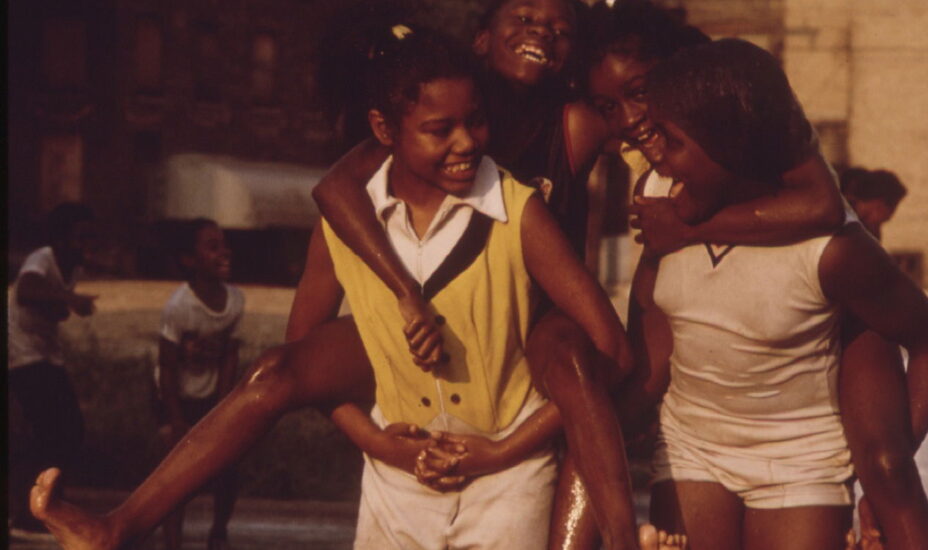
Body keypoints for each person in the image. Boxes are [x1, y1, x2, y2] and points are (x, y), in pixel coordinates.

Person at [29, 26, 683, 550]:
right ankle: (116, 527)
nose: (467, 143)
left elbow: (611, 354)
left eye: (476, 122)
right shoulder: (346, 218)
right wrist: (375, 441)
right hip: (400, 484)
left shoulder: (517, 208)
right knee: (274, 371)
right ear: (383, 131)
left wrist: (499, 451)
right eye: (439, 129)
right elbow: (302, 362)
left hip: (505, 470)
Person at [311, 1, 850, 547]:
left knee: (585, 392)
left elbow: (807, 198)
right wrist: (401, 306)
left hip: (553, 320)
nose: (540, 32)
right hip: (464, 319)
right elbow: (334, 187)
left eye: (559, 27)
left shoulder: (584, 123)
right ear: (480, 39)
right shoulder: (446, 108)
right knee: (280, 372)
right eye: (521, 18)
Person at [581, 3, 928, 549]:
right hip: (693, 445)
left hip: (798, 451)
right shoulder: (655, 199)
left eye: (673, 139)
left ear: (727, 139)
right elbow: (653, 359)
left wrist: (893, 459)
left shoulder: (827, 239)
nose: (650, 142)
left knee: (890, 469)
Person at [8, 202, 97, 540]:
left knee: (68, 428)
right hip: (21, 351)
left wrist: (67, 304)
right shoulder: (42, 258)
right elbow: (28, 289)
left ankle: (47, 506)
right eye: (81, 236)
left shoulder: (71, 266)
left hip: (43, 352)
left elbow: (52, 309)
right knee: (56, 429)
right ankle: (31, 513)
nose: (88, 243)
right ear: (60, 239)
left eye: (92, 236)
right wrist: (70, 300)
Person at [153, 218, 242, 550]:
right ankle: (172, 542)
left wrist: (223, 408)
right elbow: (166, 364)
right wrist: (174, 417)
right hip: (174, 396)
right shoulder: (179, 307)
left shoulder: (235, 301)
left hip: (211, 398)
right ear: (190, 260)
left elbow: (230, 358)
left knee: (227, 467)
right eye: (212, 246)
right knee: (176, 477)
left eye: (224, 244)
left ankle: (218, 533)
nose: (224, 251)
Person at [839, 167, 908, 241]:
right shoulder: (838, 215)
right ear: (880, 202)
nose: (889, 217)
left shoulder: (869, 229)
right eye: (892, 206)